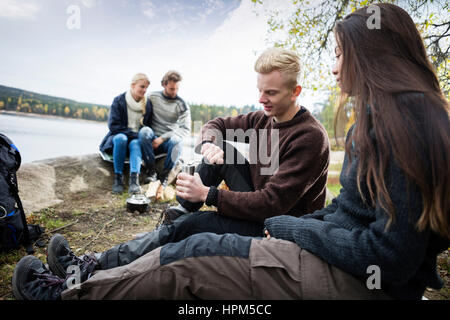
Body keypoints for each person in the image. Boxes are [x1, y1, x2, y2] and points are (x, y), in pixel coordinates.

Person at [13, 3, 449, 300]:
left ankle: (70, 292)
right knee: (190, 220)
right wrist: (208, 146)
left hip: (344, 270)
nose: (334, 66)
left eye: (339, 54)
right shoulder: (381, 115)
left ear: (371, 55)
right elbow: (348, 214)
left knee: (191, 251)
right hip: (303, 237)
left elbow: (385, 254)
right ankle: (89, 268)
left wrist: (271, 221)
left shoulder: (386, 125)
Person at [37, 47, 329, 276]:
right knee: (221, 149)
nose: (261, 99)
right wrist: (211, 145)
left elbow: (271, 204)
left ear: (295, 92)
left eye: (271, 93)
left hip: (277, 229)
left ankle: (94, 265)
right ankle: (182, 208)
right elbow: (215, 123)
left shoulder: (309, 137)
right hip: (260, 201)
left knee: (191, 226)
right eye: (260, 90)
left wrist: (210, 195)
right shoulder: (263, 117)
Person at [99, 73, 153, 194]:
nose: (144, 90)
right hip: (119, 136)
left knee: (136, 144)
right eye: (142, 86)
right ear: (133, 85)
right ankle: (118, 178)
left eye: (146, 88)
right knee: (121, 138)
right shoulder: (119, 100)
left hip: (135, 140)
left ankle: (134, 180)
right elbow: (113, 126)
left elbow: (148, 126)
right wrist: (134, 134)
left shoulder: (147, 104)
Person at [141, 70, 191, 185]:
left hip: (168, 141)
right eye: (172, 89)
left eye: (177, 89)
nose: (175, 92)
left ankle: (164, 176)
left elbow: (185, 129)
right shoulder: (152, 97)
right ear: (164, 84)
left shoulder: (182, 104)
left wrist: (162, 138)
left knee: (177, 141)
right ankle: (151, 171)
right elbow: (142, 117)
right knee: (144, 131)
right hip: (151, 139)